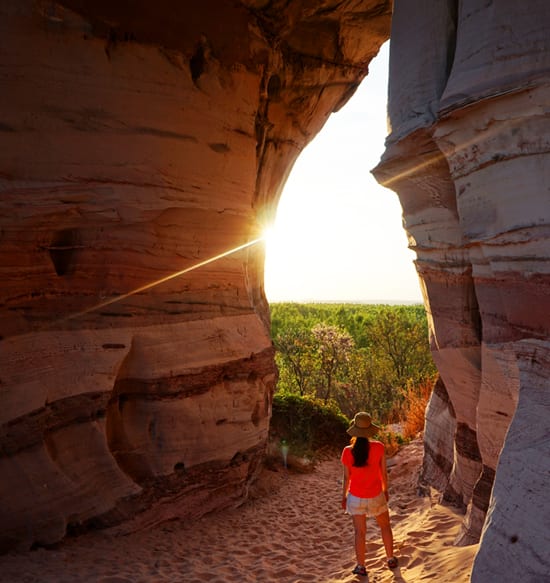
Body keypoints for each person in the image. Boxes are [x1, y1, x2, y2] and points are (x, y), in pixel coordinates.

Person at [341, 412, 398, 577]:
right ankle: (390, 558)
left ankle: (361, 566)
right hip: (375, 495)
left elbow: (346, 478)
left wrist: (344, 497)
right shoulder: (379, 447)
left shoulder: (347, 451)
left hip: (355, 497)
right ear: (370, 430)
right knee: (385, 526)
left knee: (360, 532)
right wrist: (385, 490)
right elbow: (383, 474)